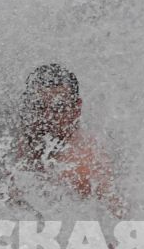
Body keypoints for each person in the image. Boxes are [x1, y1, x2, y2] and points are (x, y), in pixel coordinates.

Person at [13, 63, 127, 216]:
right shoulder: (33, 134)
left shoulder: (86, 166)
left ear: (76, 108)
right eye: (39, 107)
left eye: (58, 108)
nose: (47, 118)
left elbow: (118, 219)